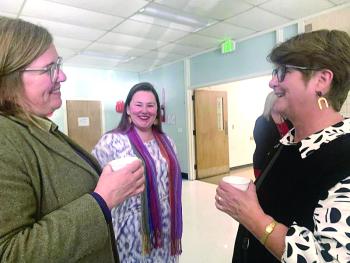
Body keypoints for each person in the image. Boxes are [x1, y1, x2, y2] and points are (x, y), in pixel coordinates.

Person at [0, 17, 145, 262]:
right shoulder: (6, 140)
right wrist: (102, 200)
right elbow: (10, 253)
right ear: (10, 77)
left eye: (58, 65)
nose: (63, 76)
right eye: (49, 69)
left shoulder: (37, 128)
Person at [215, 29, 350, 263]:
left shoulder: (344, 159)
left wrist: (253, 217)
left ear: (322, 80)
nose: (272, 81)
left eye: (283, 71)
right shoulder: (287, 142)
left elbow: (330, 258)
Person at [92, 82, 183, 262]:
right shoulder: (112, 142)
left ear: (157, 110)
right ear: (128, 109)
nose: (144, 110)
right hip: (131, 231)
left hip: (165, 226)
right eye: (138, 104)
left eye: (150, 105)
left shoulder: (167, 142)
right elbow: (93, 180)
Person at [253, 91, 293, 178]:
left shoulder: (287, 119)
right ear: (270, 104)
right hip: (265, 162)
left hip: (285, 161)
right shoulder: (261, 121)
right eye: (278, 101)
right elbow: (262, 144)